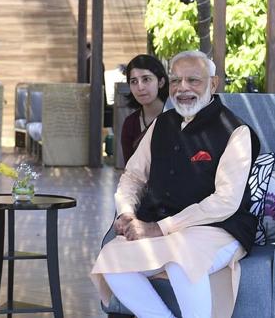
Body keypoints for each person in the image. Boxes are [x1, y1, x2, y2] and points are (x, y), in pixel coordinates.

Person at [91, 50, 260, 318]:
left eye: (193, 80)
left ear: (213, 84)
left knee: (182, 260)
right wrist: (126, 211)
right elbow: (134, 176)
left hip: (219, 228)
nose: (182, 88)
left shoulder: (236, 131)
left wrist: (160, 228)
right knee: (111, 259)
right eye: (175, 80)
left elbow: (225, 201)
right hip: (163, 225)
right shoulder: (162, 124)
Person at [121, 54, 169, 164]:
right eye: (134, 81)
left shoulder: (177, 118)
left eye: (146, 79)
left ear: (161, 82)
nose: (140, 87)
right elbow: (129, 170)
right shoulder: (130, 124)